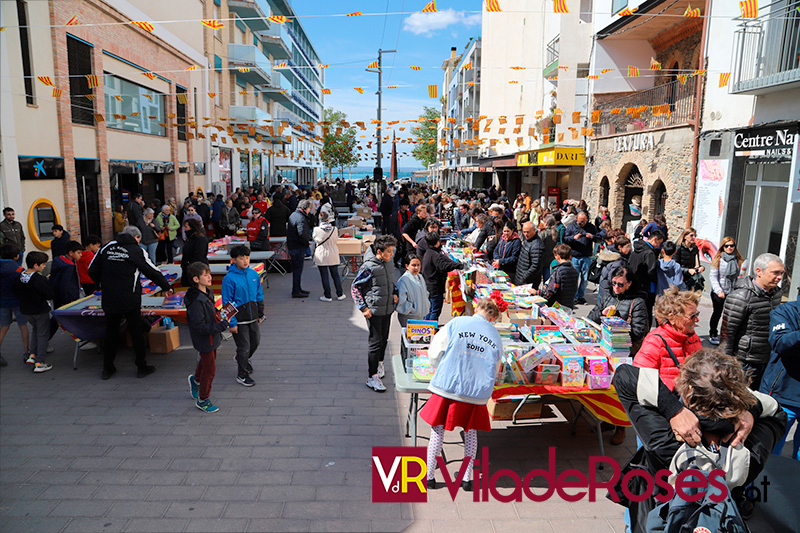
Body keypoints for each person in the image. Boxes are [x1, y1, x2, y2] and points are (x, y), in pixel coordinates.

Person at [613, 349, 787, 530]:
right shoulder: (745, 448)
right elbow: (777, 413)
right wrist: (750, 411)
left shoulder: (667, 438)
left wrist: (673, 410)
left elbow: (624, 375)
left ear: (688, 391)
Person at [422, 298, 504, 492]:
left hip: (448, 385)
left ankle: (429, 476)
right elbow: (497, 366)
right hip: (475, 392)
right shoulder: (495, 335)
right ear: (493, 317)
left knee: (437, 431)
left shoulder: (457, 323)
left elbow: (435, 351)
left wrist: (439, 368)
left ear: (477, 308)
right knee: (471, 433)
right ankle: (467, 478)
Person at [88, 226, 172, 380]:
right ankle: (141, 366)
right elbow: (151, 270)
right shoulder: (136, 250)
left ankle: (107, 368)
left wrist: (105, 283)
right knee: (136, 331)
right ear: (136, 238)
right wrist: (166, 287)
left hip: (110, 297)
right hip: (130, 297)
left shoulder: (106, 247)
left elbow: (91, 270)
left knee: (111, 332)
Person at [721, 253, 784, 390]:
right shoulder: (741, 296)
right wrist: (725, 364)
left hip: (767, 358)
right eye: (775, 273)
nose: (779, 277)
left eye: (781, 273)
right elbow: (727, 334)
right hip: (745, 362)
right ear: (758, 272)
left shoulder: (777, 293)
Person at [351, 235, 399, 392]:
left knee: (384, 339)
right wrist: (363, 308)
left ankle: (380, 363)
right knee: (375, 342)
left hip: (387, 308)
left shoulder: (389, 263)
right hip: (373, 311)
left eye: (392, 251)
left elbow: (389, 280)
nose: (391, 254)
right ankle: (372, 377)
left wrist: (395, 292)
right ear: (379, 251)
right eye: (389, 251)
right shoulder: (368, 267)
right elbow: (355, 287)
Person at [633, 286, 703, 390]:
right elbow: (640, 380)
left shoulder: (693, 338)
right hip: (668, 402)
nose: (696, 320)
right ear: (672, 318)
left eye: (696, 314)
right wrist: (677, 385)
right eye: (691, 316)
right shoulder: (655, 342)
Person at [186, 262, 230, 414]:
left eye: (209, 274)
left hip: (213, 337)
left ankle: (196, 380)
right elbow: (200, 326)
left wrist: (223, 314)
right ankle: (203, 399)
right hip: (205, 339)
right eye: (205, 275)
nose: (210, 277)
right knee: (210, 369)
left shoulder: (208, 293)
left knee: (207, 363)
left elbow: (213, 311)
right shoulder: (196, 302)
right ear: (196, 279)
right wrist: (221, 326)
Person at [762, 293, 800, 460]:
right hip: (784, 396)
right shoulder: (786, 311)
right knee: (770, 453)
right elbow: (780, 342)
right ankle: (765, 486)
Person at [221, 245, 265, 388]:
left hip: (253, 317)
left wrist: (260, 313)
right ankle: (242, 374)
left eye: (247, 257)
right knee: (244, 346)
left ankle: (242, 359)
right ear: (233, 260)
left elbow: (259, 294)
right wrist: (231, 323)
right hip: (239, 320)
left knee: (255, 342)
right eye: (241, 258)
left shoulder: (253, 274)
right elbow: (227, 302)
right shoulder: (229, 279)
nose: (245, 261)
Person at [589, 266, 650, 354]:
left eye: (620, 284)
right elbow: (590, 318)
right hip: (603, 346)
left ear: (629, 283)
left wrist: (617, 323)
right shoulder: (607, 296)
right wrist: (602, 313)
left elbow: (638, 333)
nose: (616, 287)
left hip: (624, 351)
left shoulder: (637, 302)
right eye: (614, 283)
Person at [13, 252, 53, 373]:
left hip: (26, 310)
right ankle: (40, 362)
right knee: (43, 335)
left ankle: (32, 354)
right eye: (43, 264)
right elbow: (49, 294)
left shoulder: (19, 277)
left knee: (35, 331)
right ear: (36, 265)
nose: (44, 267)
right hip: (40, 310)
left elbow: (16, 291)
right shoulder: (39, 279)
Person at [709, 237, 744, 345]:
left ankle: (728, 335)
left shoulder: (738, 259)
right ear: (723, 247)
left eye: (731, 245)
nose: (729, 248)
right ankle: (713, 334)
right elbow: (713, 277)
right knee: (717, 313)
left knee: (730, 315)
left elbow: (740, 275)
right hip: (719, 291)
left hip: (732, 291)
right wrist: (719, 290)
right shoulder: (718, 259)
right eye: (726, 246)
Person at [422, 232, 464, 322]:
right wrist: (458, 266)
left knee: (430, 310)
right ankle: (431, 330)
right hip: (435, 287)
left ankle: (425, 328)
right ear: (437, 242)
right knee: (435, 311)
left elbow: (444, 260)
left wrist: (456, 264)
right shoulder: (434, 255)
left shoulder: (430, 252)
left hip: (429, 285)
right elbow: (443, 266)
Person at [0, 244, 29, 366]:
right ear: (16, 256)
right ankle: (26, 352)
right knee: (23, 326)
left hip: (2, 301)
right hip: (17, 301)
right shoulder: (19, 270)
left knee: (4, 326)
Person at [564, 212, 600, 305]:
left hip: (586, 255)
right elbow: (565, 238)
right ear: (576, 219)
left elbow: (598, 238)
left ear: (586, 220)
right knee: (575, 278)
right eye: (579, 222)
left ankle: (581, 296)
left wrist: (592, 236)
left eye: (583, 222)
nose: (581, 224)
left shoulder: (591, 227)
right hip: (575, 256)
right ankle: (574, 297)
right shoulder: (571, 227)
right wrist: (573, 237)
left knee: (585, 278)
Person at [628, 230, 665, 319]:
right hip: (646, 287)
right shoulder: (649, 253)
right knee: (646, 313)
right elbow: (651, 272)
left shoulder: (636, 249)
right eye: (659, 243)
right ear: (655, 239)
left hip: (634, 285)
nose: (658, 246)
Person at [532, 243, 578, 308]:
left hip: (557, 305)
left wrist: (537, 292)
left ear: (557, 257)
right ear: (570, 257)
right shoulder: (574, 270)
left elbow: (550, 291)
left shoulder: (558, 271)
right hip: (568, 304)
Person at [313, 211, 344, 302]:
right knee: (335, 275)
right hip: (333, 253)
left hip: (321, 254)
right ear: (328, 219)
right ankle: (340, 294)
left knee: (324, 276)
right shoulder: (334, 229)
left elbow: (315, 240)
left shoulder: (316, 230)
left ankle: (327, 295)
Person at [287, 199, 314, 298]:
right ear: (305, 208)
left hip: (292, 245)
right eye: (309, 209)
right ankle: (296, 291)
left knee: (296, 270)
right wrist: (306, 244)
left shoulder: (293, 215)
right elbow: (301, 234)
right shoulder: (301, 218)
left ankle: (298, 288)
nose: (309, 211)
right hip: (298, 246)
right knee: (298, 270)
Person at [396, 254, 430, 330]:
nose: (416, 268)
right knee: (408, 338)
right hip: (409, 316)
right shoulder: (403, 280)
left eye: (418, 265)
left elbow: (425, 293)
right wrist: (412, 309)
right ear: (407, 266)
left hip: (419, 315)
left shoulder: (420, 277)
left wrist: (426, 305)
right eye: (413, 265)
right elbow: (402, 300)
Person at [49, 240, 83, 312]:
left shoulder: (58, 260)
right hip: (68, 298)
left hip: (57, 295)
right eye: (78, 253)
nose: (81, 255)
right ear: (71, 253)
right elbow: (65, 284)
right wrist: (64, 301)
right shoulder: (69, 267)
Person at [597, 235, 631, 301]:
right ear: (619, 247)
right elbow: (612, 279)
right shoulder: (618, 262)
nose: (629, 248)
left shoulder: (612, 254)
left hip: (604, 287)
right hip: (608, 290)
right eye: (627, 246)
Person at [674, 227, 705, 291]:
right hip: (680, 279)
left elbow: (697, 264)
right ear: (685, 236)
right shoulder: (678, 248)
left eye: (695, 235)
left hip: (691, 279)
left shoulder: (695, 248)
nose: (694, 237)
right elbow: (674, 266)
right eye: (691, 235)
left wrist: (701, 268)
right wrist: (687, 270)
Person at [180, 219, 209, 287]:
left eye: (186, 227)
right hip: (189, 267)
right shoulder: (190, 238)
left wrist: (190, 267)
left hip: (197, 269)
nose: (184, 229)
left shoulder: (200, 239)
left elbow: (199, 255)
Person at [514, 221, 544, 287]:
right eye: (524, 232)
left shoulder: (537, 245)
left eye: (528, 232)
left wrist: (524, 277)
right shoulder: (527, 240)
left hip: (528, 281)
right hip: (521, 277)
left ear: (534, 230)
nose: (525, 234)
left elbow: (535, 266)